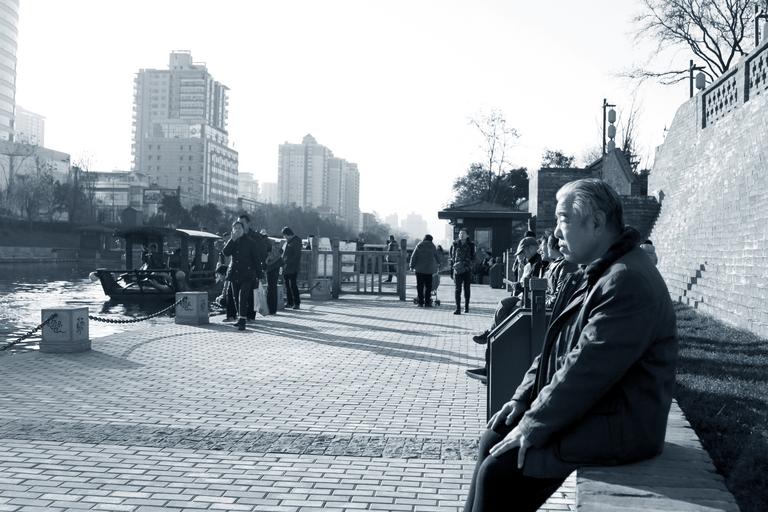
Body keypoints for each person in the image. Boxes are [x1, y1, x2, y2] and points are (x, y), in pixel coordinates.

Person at [463, 178, 678, 512]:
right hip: (598, 408)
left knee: (500, 471)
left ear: (596, 222)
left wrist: (532, 425)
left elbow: (586, 370)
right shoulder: (595, 272)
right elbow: (554, 350)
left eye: (563, 219)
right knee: (494, 437)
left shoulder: (626, 280)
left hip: (621, 423)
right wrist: (522, 399)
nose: (554, 234)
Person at [222, 221, 261, 331]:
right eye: (235, 228)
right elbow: (225, 253)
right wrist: (231, 240)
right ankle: (240, 318)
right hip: (234, 273)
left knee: (242, 296)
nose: (237, 230)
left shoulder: (250, 242)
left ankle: (243, 321)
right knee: (235, 297)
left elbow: (256, 259)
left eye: (239, 228)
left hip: (247, 274)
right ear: (232, 230)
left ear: (243, 230)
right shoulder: (233, 241)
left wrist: (259, 275)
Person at [238, 214, 270, 320]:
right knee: (240, 294)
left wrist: (258, 266)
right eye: (239, 223)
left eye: (242, 223)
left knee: (252, 293)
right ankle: (241, 316)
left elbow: (263, 253)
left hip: (252, 269)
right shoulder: (237, 236)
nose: (240, 225)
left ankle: (250, 316)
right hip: (239, 270)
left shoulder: (256, 237)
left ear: (248, 224)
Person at [409, 234, 441, 307]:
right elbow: (437, 256)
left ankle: (420, 302)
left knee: (420, 286)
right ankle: (427, 302)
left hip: (419, 269)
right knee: (428, 286)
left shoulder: (419, 245)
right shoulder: (432, 246)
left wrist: (411, 266)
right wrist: (439, 263)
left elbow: (414, 256)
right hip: (429, 269)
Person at [450, 228, 475, 314]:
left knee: (466, 288)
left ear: (467, 235)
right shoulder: (455, 244)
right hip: (457, 270)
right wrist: (454, 267)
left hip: (467, 269)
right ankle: (458, 308)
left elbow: (473, 258)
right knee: (457, 289)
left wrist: (464, 264)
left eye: (463, 233)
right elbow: (452, 257)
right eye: (460, 233)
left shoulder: (471, 245)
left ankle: (466, 306)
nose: (461, 235)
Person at [282, 226, 302, 310]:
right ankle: (290, 302)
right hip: (287, 267)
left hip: (293, 267)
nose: (285, 237)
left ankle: (297, 303)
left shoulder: (296, 241)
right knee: (287, 285)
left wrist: (287, 261)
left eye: (285, 236)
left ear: (288, 234)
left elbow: (297, 256)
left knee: (293, 285)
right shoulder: (289, 242)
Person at [264, 247, 284, 315]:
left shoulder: (270, 252)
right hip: (275, 271)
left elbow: (267, 262)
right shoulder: (278, 256)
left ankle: (271, 309)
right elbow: (282, 265)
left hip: (271, 271)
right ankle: (273, 309)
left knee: (270, 289)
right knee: (273, 289)